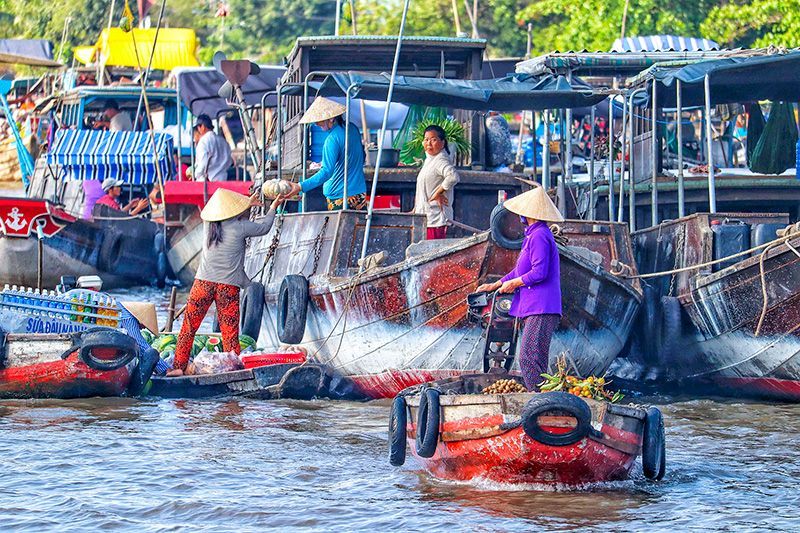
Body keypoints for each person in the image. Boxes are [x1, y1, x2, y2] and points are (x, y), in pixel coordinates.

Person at [167, 188, 284, 376]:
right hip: (227, 287)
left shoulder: (208, 225)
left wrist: (247, 203)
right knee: (229, 331)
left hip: (203, 283)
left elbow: (229, 215)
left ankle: (178, 368)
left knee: (188, 327)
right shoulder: (241, 227)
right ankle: (233, 369)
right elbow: (264, 228)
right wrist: (273, 208)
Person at [476, 186, 564, 391]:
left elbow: (539, 272)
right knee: (537, 360)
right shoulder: (531, 236)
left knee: (528, 358)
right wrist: (496, 284)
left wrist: (514, 284)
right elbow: (518, 271)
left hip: (542, 306)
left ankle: (538, 401)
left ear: (529, 214)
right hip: (535, 306)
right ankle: (544, 399)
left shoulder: (540, 235)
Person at [286, 97, 367, 210]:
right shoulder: (352, 128)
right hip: (359, 194)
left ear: (331, 118)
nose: (316, 124)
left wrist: (300, 186)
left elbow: (326, 172)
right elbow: (359, 156)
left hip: (340, 197)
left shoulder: (332, 139)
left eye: (319, 120)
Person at [414, 125, 460, 239]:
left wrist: (438, 193)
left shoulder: (441, 160)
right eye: (426, 139)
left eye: (433, 140)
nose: (429, 143)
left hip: (436, 219)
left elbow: (453, 176)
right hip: (425, 218)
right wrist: (416, 209)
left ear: (442, 143)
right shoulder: (429, 160)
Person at [189, 114, 233, 182]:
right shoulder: (223, 141)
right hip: (224, 180)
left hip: (207, 184)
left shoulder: (203, 142)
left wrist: (195, 174)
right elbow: (229, 161)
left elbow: (202, 164)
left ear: (202, 127)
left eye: (198, 127)